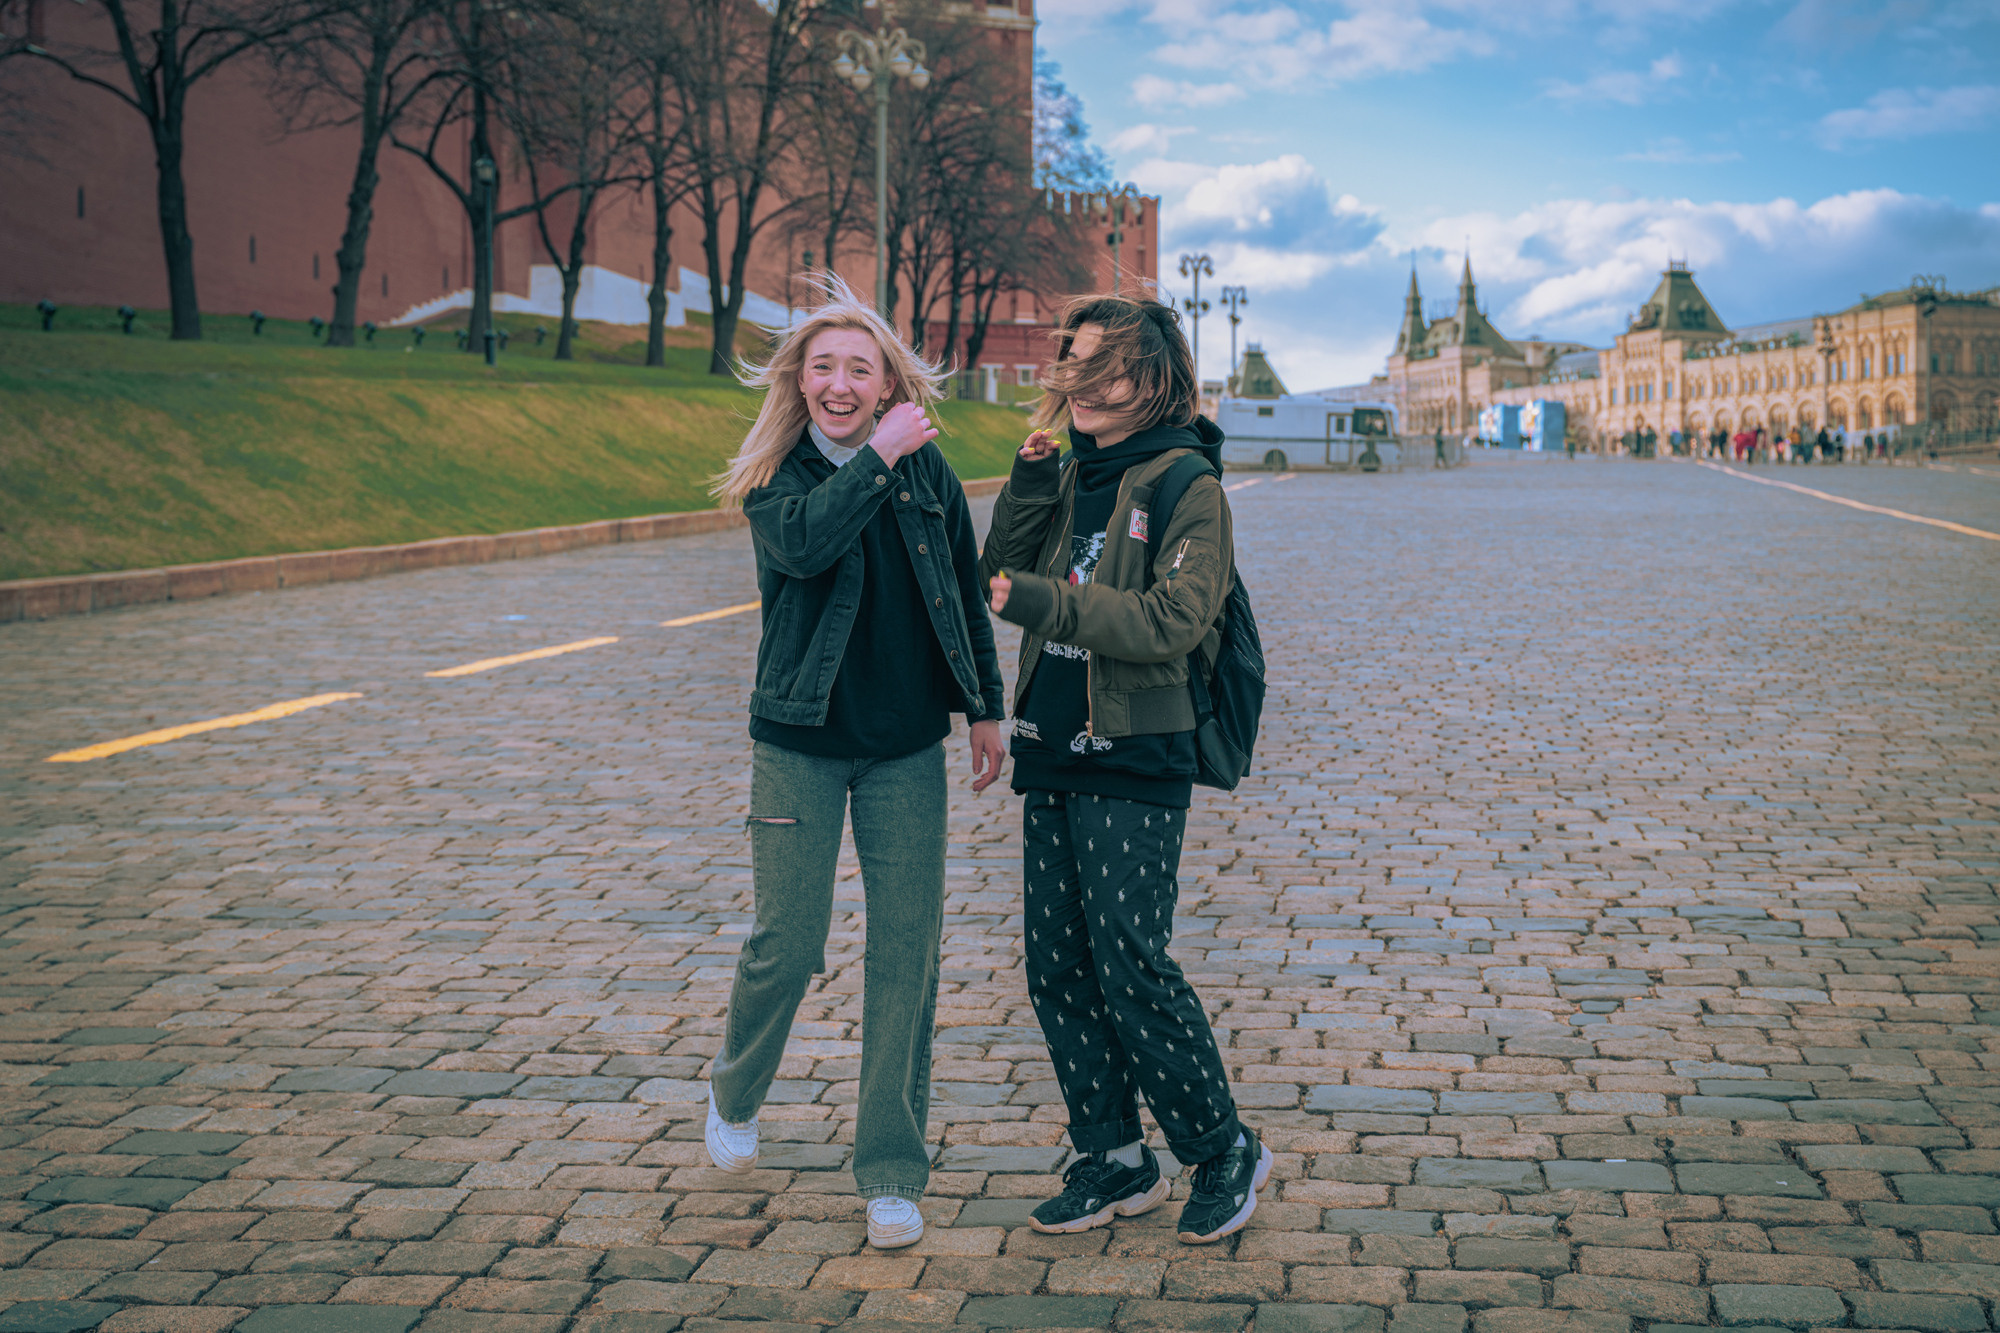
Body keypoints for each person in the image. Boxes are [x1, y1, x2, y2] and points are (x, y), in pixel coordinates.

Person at [704, 275, 1007, 1251]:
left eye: (858, 368)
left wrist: (985, 713)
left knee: (905, 954)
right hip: (796, 741)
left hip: (903, 746)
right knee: (787, 941)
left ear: (885, 382)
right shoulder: (775, 475)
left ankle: (889, 1170)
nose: (839, 382)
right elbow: (805, 548)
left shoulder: (927, 473)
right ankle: (735, 1088)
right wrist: (875, 458)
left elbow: (961, 592)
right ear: (800, 380)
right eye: (822, 366)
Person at [979, 295, 1269, 1245]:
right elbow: (999, 568)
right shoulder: (1074, 475)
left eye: (1106, 370)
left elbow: (1169, 622)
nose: (1087, 387)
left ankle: (1222, 1147)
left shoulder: (1189, 485)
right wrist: (1029, 482)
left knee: (1131, 963)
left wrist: (1045, 603)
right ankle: (1111, 1154)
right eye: (1077, 368)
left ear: (1154, 379)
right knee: (1057, 964)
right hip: (1053, 746)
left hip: (1137, 753)